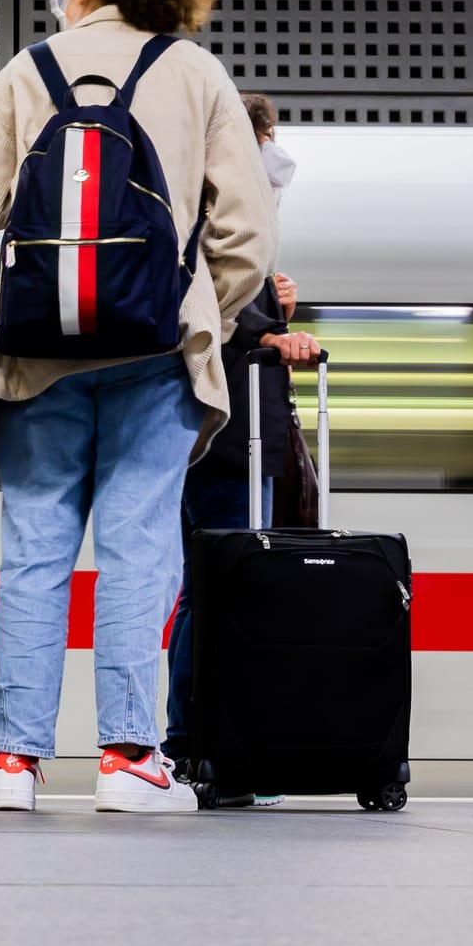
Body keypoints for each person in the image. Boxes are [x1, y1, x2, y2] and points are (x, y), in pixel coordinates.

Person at [0, 0, 277, 814]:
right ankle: (127, 762)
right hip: (158, 357)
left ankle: (15, 768)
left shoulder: (28, 69)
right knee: (137, 550)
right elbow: (247, 238)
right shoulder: (196, 74)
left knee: (35, 553)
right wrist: (200, 316)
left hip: (36, 354)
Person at [161, 90, 321, 807]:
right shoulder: (215, 214)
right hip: (230, 438)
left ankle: (202, 742)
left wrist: (275, 311)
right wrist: (268, 334)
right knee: (221, 590)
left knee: (211, 590)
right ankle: (203, 746)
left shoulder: (216, 218)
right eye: (269, 140)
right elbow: (206, 318)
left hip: (233, 434)